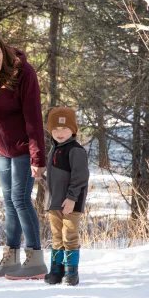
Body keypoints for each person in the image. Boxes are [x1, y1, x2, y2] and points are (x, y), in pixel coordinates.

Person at [0, 33, 47, 280]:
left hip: (24, 147)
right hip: (2, 150)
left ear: (3, 50)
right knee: (9, 203)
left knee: (20, 199)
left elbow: (34, 117)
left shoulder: (23, 72)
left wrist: (37, 157)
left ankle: (35, 259)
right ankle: (10, 260)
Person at [43, 107, 89, 286]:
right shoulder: (54, 149)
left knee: (69, 236)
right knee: (56, 236)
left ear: (73, 130)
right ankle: (56, 271)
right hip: (54, 202)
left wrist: (71, 198)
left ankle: (72, 273)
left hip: (70, 203)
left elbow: (80, 176)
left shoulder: (76, 150)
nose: (59, 133)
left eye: (64, 129)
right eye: (55, 129)